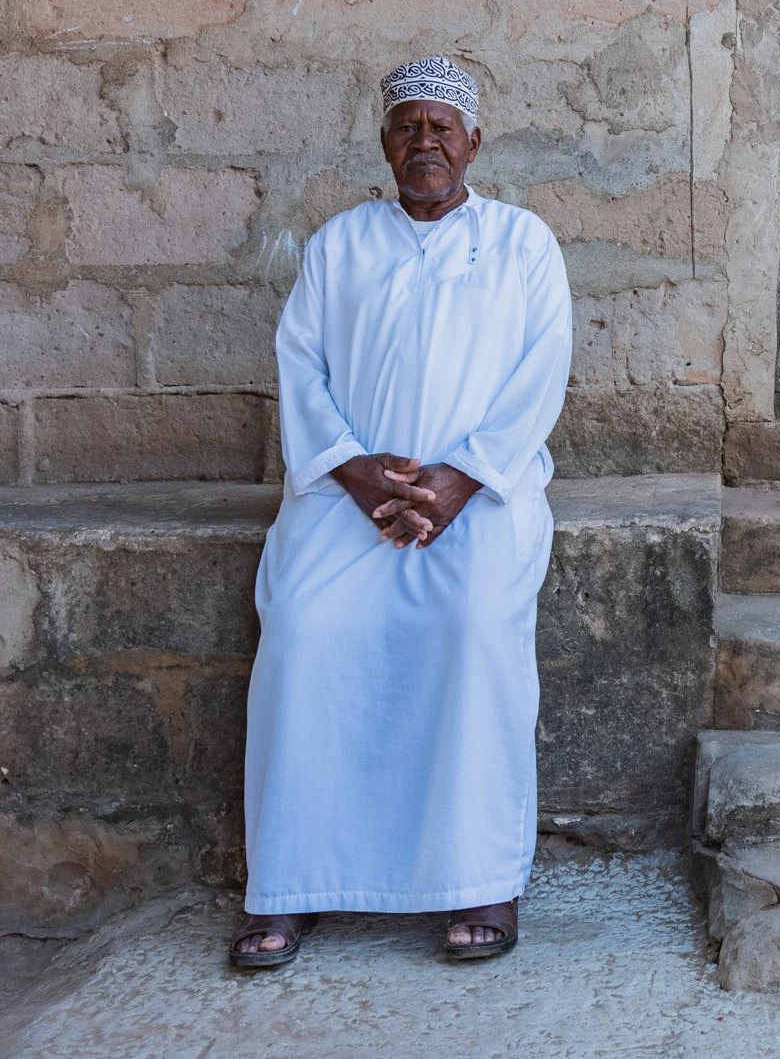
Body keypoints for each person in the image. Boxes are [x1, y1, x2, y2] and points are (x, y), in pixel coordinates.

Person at [230, 56, 573, 967]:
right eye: (408, 127)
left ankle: (479, 880)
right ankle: (291, 884)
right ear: (386, 143)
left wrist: (462, 479)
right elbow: (300, 366)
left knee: (470, 625)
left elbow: (541, 373)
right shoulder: (339, 244)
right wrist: (354, 473)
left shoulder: (522, 243)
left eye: (442, 127)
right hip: (352, 496)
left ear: (473, 142)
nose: (427, 142)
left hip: (481, 496)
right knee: (302, 628)